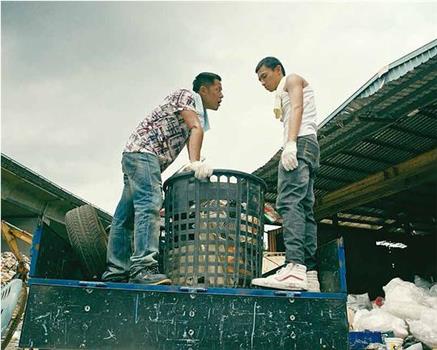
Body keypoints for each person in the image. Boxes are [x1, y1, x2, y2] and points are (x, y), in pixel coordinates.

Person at [102, 72, 223, 285]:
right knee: (149, 205)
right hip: (144, 154)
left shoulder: (196, 112)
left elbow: (193, 133)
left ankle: (116, 272)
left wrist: (194, 161)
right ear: (203, 90)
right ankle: (143, 268)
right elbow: (195, 127)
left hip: (135, 155)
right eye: (218, 90)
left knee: (125, 216)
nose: (221, 95)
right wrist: (195, 163)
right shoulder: (186, 96)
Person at [251, 57, 320, 292]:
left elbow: (298, 108)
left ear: (277, 70)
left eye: (264, 76)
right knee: (304, 206)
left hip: (300, 142)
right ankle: (309, 273)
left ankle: (294, 266)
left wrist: (290, 144)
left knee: (289, 202)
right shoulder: (283, 92)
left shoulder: (292, 79)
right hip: (308, 145)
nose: (262, 82)